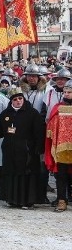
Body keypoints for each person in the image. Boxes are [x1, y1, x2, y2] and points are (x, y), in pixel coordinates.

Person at [0, 87, 44, 209]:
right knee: (11, 174)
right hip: (10, 150)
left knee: (26, 175)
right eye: (15, 99)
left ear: (23, 99)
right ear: (11, 101)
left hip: (27, 150)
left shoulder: (32, 113)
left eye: (20, 98)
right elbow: (0, 130)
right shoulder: (5, 114)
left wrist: (39, 147)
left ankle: (27, 200)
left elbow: (39, 131)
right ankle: (12, 199)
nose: (18, 101)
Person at [45, 79, 72, 212]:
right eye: (65, 92)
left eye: (69, 92)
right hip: (61, 148)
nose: (66, 94)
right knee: (60, 175)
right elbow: (51, 125)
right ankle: (62, 200)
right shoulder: (58, 107)